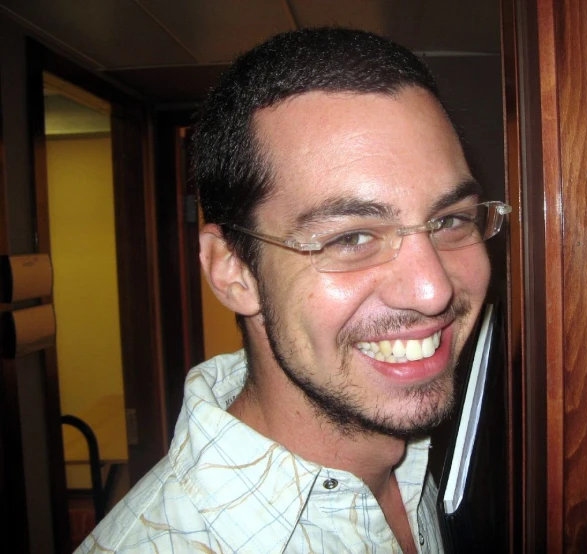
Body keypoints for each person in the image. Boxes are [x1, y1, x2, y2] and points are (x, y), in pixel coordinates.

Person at [77, 27, 510, 553]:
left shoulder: (414, 454)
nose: (432, 291)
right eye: (351, 236)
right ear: (233, 271)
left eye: (449, 220)